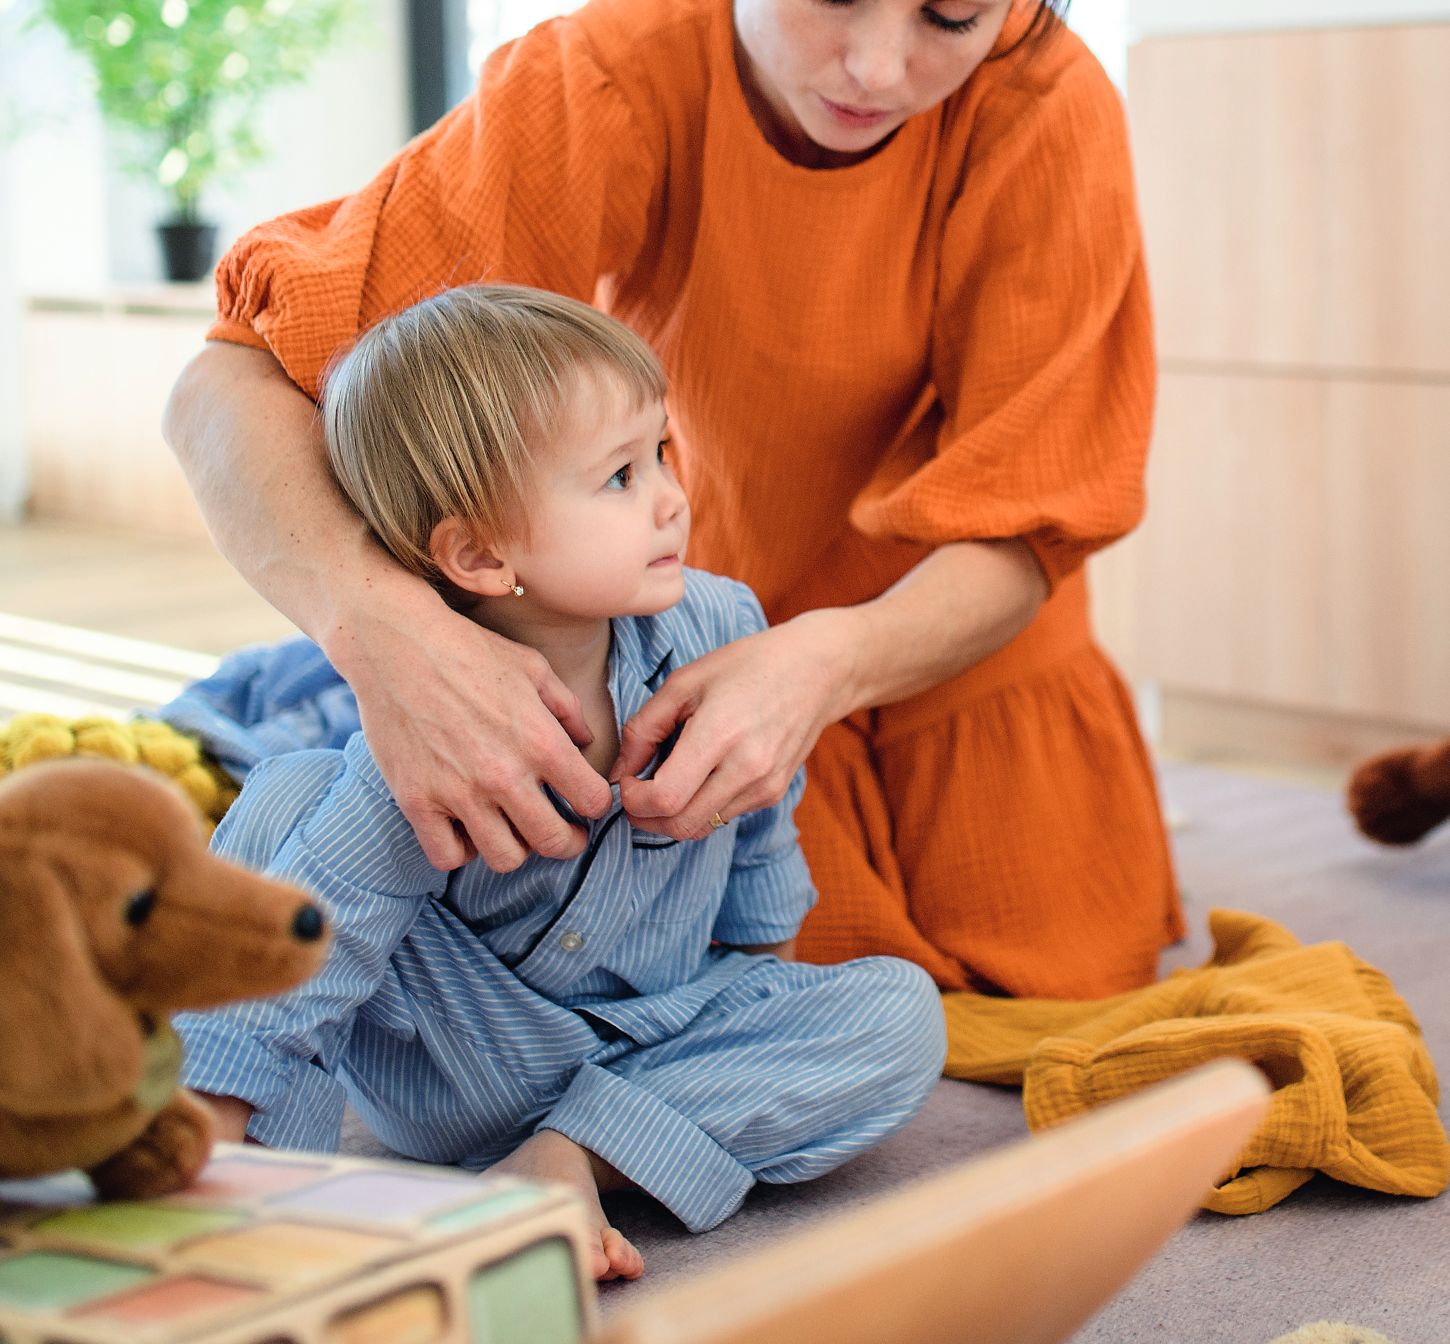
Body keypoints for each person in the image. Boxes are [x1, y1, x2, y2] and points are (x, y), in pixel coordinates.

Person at [163, 0, 1180, 1000]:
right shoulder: (618, 65)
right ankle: (289, 702)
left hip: (946, 645)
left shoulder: (1048, 108)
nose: (878, 68)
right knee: (665, 957)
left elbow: (1030, 526)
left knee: (1036, 975)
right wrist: (377, 627)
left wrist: (828, 661)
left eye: (956, 16)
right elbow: (228, 382)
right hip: (671, 633)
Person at [178, 286, 946, 1279]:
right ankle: (225, 1148)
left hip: (665, 1032)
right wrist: (234, 1087)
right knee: (292, 793)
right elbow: (336, 929)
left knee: (897, 1014)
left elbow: (762, 823)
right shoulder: (427, 718)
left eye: (660, 452)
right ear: (482, 554)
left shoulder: (721, 627)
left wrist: (763, 1000)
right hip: (463, 1059)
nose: (671, 494)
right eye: (619, 478)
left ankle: (569, 1158)